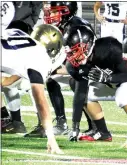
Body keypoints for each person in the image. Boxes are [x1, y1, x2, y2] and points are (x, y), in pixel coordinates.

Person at [63, 25, 127, 146]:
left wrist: (108, 78)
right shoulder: (73, 65)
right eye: (71, 51)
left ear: (88, 44)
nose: (73, 56)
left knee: (122, 96)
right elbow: (80, 93)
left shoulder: (109, 47)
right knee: (82, 90)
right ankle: (102, 132)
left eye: (76, 50)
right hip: (112, 84)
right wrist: (75, 126)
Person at [1, 1, 65, 154]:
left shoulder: (22, 37)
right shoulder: (39, 57)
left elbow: (11, 70)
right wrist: (51, 138)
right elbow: (41, 101)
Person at [24, 1, 95, 137]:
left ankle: (94, 125)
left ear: (67, 11)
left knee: (73, 84)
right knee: (52, 81)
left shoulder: (76, 26)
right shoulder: (64, 24)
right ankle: (61, 123)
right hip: (75, 64)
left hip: (87, 67)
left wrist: (55, 69)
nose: (51, 14)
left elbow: (81, 58)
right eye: (51, 11)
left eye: (56, 11)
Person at [1, 1, 42, 134]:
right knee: (7, 80)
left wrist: (29, 24)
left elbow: (36, 8)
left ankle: (42, 123)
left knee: (32, 83)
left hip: (23, 29)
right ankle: (14, 121)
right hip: (9, 30)